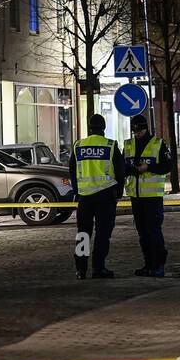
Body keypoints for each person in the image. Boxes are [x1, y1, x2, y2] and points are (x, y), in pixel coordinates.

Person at [69, 114, 125, 279]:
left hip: (85, 197)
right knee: (102, 234)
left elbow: (72, 170)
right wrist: (119, 192)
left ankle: (80, 269)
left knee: (83, 233)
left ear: (89, 127)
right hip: (105, 196)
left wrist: (77, 190)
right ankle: (98, 268)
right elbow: (121, 171)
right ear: (104, 128)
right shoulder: (110, 145)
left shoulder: (78, 145)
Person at [123, 113, 172, 277]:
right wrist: (133, 169)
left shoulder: (158, 144)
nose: (137, 134)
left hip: (152, 197)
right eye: (135, 131)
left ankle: (159, 265)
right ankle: (148, 264)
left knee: (154, 231)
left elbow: (167, 166)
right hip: (135, 196)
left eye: (140, 131)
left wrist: (148, 168)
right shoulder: (129, 145)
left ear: (146, 129)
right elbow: (123, 167)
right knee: (142, 233)